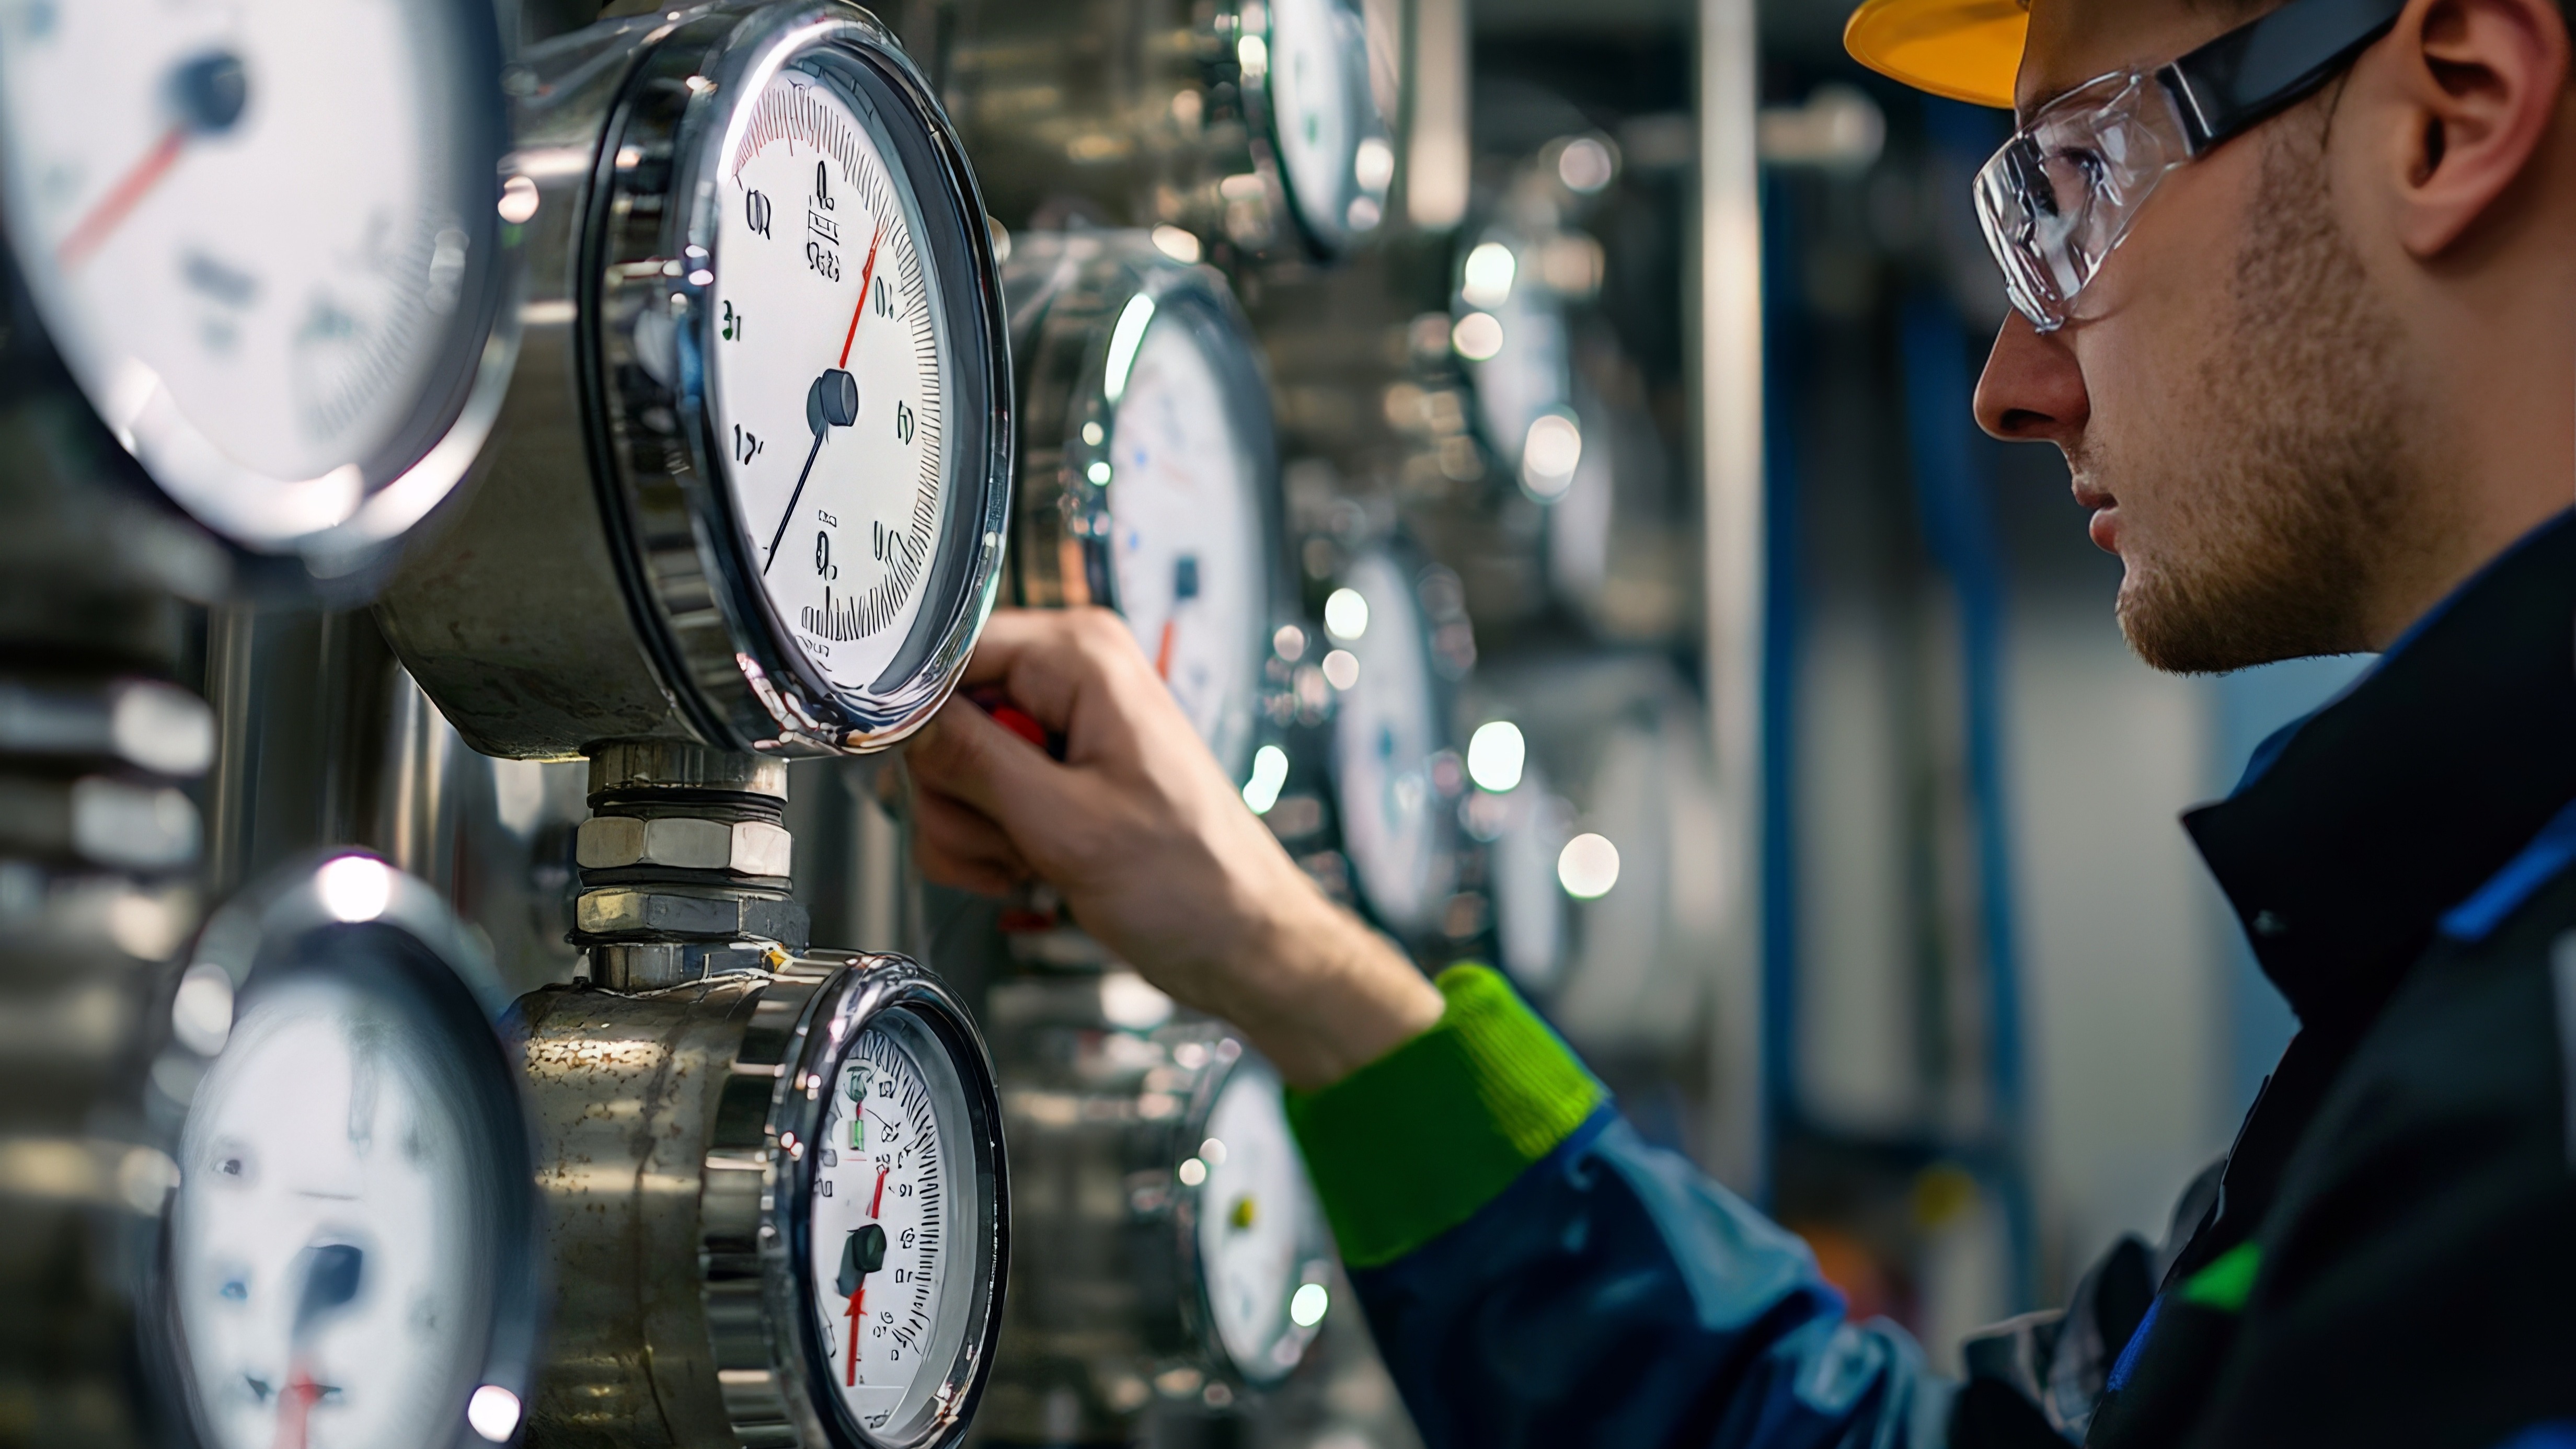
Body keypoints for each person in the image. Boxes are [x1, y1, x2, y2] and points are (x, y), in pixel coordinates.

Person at [904, 0, 2576, 1441]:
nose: (2012, 380)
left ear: (2454, 112)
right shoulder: (2445, 1002)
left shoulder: (2526, 1098)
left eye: (2070, 186)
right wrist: (1277, 950)